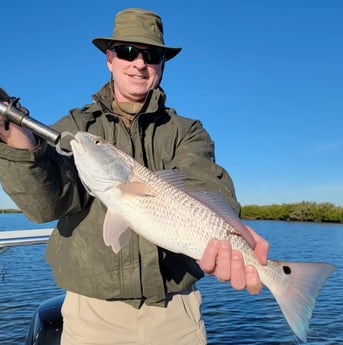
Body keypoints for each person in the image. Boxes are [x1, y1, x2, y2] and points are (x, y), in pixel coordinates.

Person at [0, 8, 269, 345]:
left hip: (176, 314)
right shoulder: (74, 127)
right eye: (127, 52)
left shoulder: (187, 132)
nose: (139, 63)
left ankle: (281, 277)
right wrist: (18, 145)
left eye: (151, 55)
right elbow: (44, 206)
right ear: (109, 59)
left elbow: (205, 184)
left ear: (161, 65)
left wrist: (234, 229)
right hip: (92, 315)